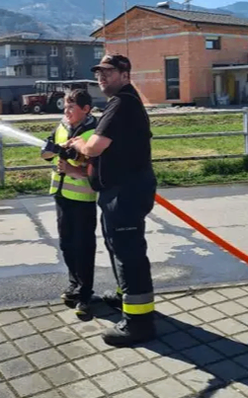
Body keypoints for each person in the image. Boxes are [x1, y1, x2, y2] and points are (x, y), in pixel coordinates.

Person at [67, 53, 157, 347]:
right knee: (117, 247)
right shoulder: (119, 103)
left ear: (125, 74)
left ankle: (138, 322)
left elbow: (94, 147)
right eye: (98, 73)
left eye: (108, 72)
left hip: (125, 192)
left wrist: (79, 143)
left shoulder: (122, 103)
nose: (101, 77)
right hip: (117, 191)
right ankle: (124, 297)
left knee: (129, 255)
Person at [41, 89, 98, 318]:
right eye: (65, 107)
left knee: (84, 247)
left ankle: (85, 295)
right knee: (66, 244)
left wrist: (75, 169)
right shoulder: (62, 127)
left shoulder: (95, 132)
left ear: (86, 109)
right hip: (61, 194)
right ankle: (74, 285)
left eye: (71, 107)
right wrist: (54, 150)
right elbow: (43, 153)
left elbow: (100, 170)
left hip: (83, 199)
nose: (66, 111)